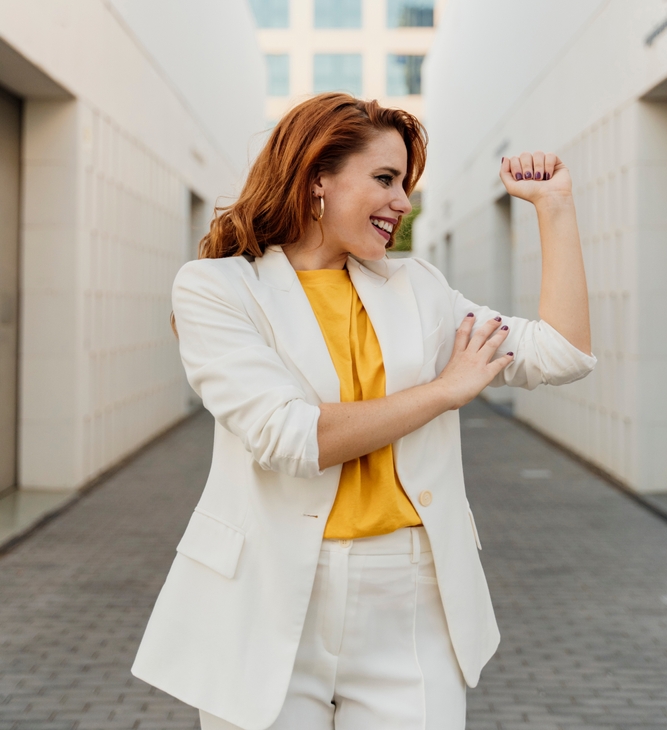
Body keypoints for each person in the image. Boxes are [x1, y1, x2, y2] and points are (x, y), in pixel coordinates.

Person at [132, 93, 595, 730]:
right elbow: (290, 437)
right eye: (384, 179)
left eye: (405, 184)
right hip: (267, 600)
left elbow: (559, 353)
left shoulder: (418, 288)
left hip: (409, 598)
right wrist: (442, 391)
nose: (403, 203)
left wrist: (556, 208)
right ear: (316, 178)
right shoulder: (217, 287)